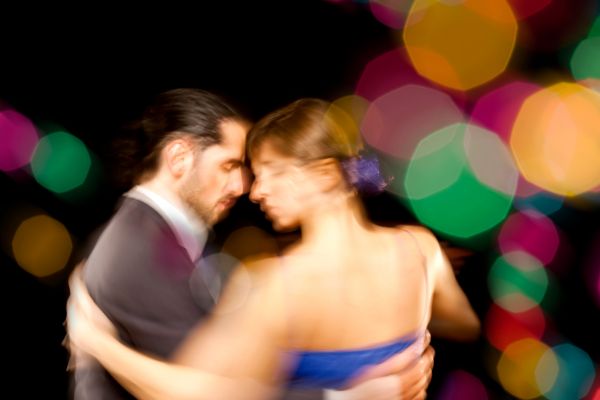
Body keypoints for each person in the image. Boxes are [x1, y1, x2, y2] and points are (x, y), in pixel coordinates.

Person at [70, 90, 436, 400]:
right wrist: (352, 394)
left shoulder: (163, 235)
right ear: (179, 158)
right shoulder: (139, 251)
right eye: (229, 166)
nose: (244, 187)